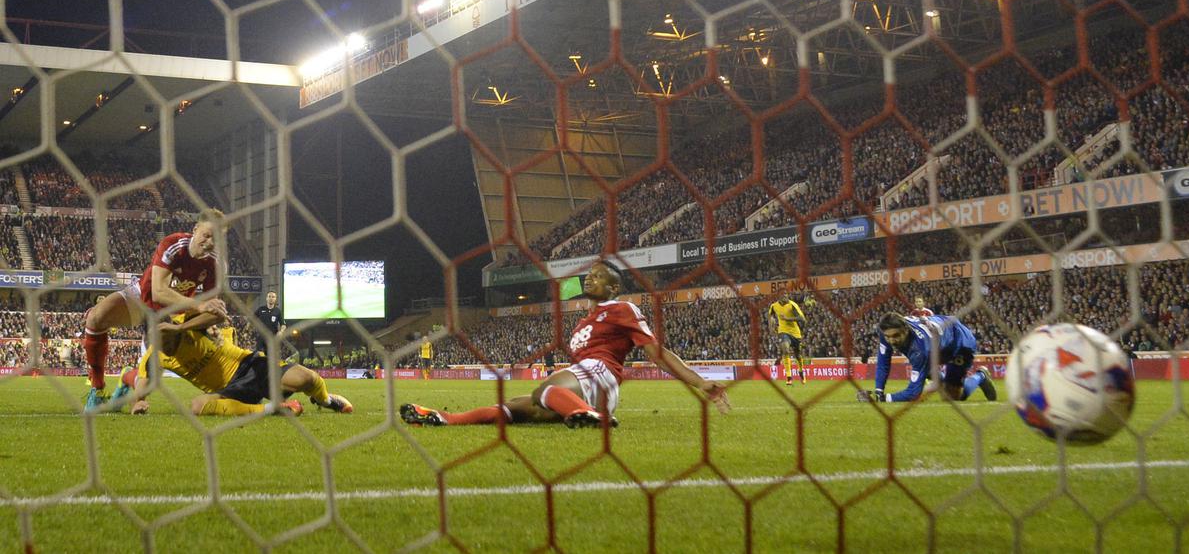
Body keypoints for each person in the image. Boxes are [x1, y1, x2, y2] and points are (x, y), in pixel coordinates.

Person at [401, 260, 729, 428]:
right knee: (517, 406)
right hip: (585, 382)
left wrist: (700, 382)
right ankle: (447, 418)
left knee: (543, 390)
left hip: (600, 375)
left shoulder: (622, 309)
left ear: (614, 286)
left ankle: (588, 414)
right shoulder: (585, 321)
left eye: (599, 276)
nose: (590, 278)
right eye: (589, 275)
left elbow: (656, 352)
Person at [82, 209, 229, 411]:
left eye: (217, 239)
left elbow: (212, 303)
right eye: (207, 235)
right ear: (195, 229)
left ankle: (126, 378)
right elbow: (158, 291)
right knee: (96, 318)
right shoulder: (173, 244)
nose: (211, 242)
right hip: (142, 296)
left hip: (174, 312)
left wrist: (210, 324)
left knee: (148, 382)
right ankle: (98, 389)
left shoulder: (217, 264)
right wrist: (200, 305)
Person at [124, 314, 353, 417]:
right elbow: (142, 389)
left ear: (175, 329)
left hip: (249, 364)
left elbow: (215, 312)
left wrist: (208, 324)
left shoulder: (188, 321)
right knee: (197, 406)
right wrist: (138, 403)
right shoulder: (154, 356)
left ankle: (326, 400)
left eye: (167, 339)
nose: (164, 346)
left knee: (307, 379)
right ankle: (272, 409)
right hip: (230, 390)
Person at [858, 312, 996, 403]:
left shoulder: (920, 349)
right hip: (939, 339)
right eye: (888, 337)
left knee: (952, 397)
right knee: (930, 374)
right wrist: (878, 390)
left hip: (959, 343)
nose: (892, 341)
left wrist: (883, 399)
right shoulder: (885, 331)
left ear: (906, 330)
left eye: (896, 336)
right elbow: (883, 360)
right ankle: (939, 380)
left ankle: (981, 376)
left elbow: (913, 393)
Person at [769, 294, 807, 385]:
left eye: (786, 296)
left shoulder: (792, 305)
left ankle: (801, 372)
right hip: (783, 332)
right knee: (785, 350)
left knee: (798, 355)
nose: (786, 297)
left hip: (795, 333)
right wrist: (771, 327)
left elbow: (802, 319)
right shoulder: (774, 306)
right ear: (779, 297)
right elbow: (770, 316)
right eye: (784, 296)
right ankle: (789, 377)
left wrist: (787, 319)